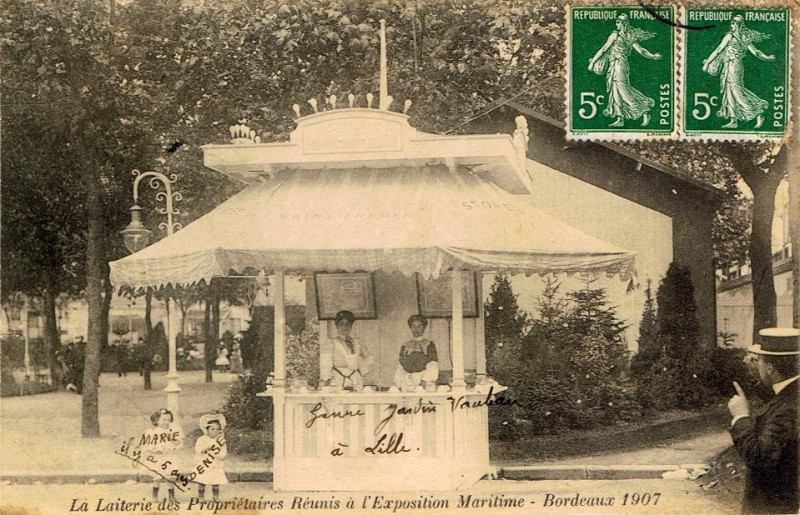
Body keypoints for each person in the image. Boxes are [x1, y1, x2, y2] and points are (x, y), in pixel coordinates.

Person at [728, 327, 798, 514]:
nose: (756, 365)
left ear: (770, 367)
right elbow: (776, 399)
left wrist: (741, 417)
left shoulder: (787, 410)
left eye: (759, 361)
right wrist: (756, 374)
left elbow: (760, 456)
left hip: (774, 506)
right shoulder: (792, 395)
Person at [588, 13, 662, 128]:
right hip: (616, 64)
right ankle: (620, 118)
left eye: (618, 22)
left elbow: (603, 49)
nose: (617, 24)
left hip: (619, 64)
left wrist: (593, 63)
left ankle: (643, 110)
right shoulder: (629, 36)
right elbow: (641, 50)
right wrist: (652, 56)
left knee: (622, 89)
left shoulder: (616, 35)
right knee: (614, 90)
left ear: (622, 23)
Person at [702, 15, 775, 129]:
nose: (731, 25)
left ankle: (757, 112)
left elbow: (718, 50)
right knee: (729, 91)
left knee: (736, 91)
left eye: (733, 23)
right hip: (731, 65)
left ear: (738, 25)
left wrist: (707, 64)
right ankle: (733, 119)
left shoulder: (730, 37)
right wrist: (767, 57)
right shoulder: (744, 37)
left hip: (733, 66)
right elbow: (756, 52)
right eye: (731, 23)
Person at [320, 310, 374, 390]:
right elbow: (325, 363)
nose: (345, 327)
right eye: (341, 324)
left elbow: (368, 358)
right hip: (338, 379)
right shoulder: (330, 343)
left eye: (348, 324)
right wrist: (326, 379)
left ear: (351, 326)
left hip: (355, 379)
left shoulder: (357, 342)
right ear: (337, 326)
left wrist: (362, 370)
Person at [143, 408, 182, 503]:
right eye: (163, 420)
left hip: (170, 457)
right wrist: (156, 450)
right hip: (159, 458)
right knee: (157, 478)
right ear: (156, 420)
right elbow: (149, 445)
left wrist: (172, 439)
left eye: (168, 420)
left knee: (171, 477)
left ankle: (171, 496)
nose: (166, 422)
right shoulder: (153, 432)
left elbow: (178, 443)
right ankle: (155, 495)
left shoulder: (172, 431)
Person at [394, 315, 439, 389]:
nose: (416, 329)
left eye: (419, 326)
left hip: (424, 381)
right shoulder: (405, 345)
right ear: (410, 328)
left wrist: (425, 381)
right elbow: (401, 366)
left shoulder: (429, 344)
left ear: (423, 328)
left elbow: (433, 364)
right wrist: (401, 382)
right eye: (413, 326)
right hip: (407, 381)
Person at [193, 414, 228, 502]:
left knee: (216, 480)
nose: (215, 431)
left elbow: (223, 451)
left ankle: (215, 496)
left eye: (217, 429)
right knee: (202, 480)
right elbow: (198, 449)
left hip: (215, 463)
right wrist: (206, 448)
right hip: (204, 463)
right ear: (207, 430)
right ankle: (201, 496)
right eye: (212, 429)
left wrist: (220, 455)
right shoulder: (202, 439)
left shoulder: (220, 440)